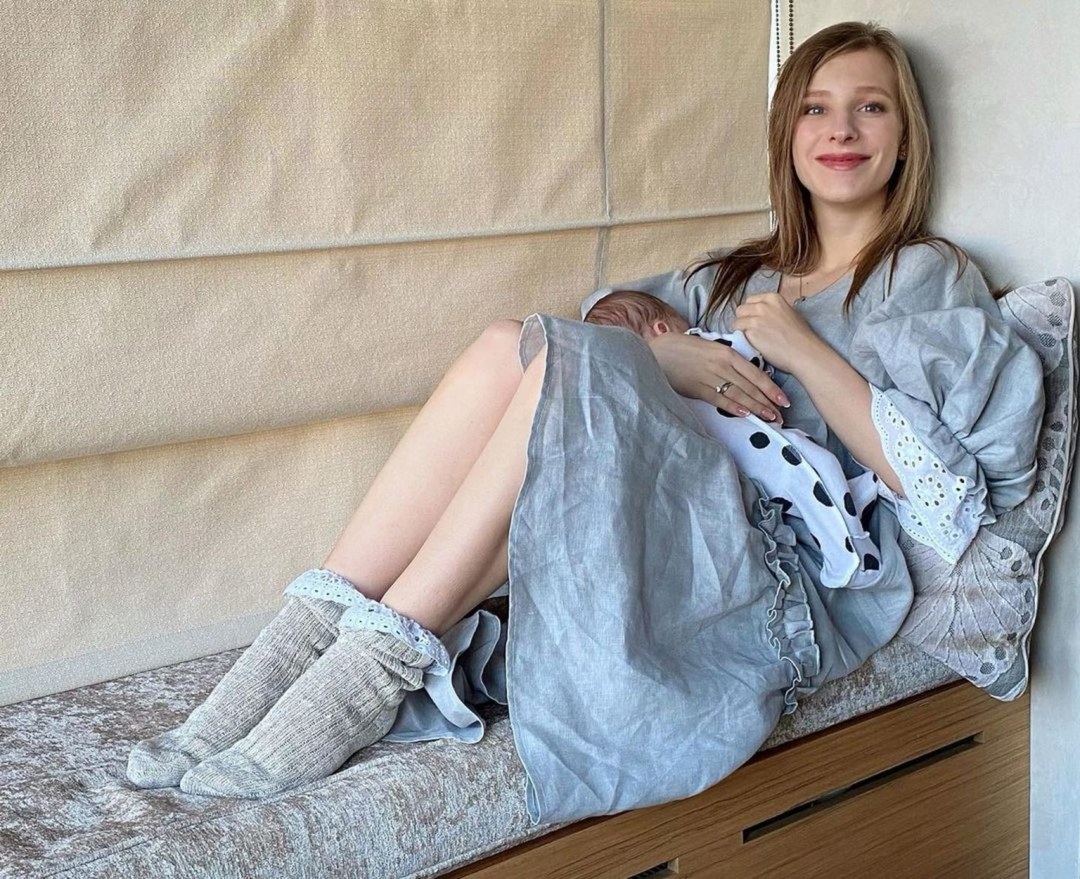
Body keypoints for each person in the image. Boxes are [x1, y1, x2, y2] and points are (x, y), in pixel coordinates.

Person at [126, 21, 1044, 826]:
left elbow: (950, 499)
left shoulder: (926, 276)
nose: (841, 129)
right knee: (506, 344)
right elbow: (604, 323)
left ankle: (367, 674)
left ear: (905, 138)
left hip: (767, 570)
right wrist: (666, 356)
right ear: (787, 134)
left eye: (871, 108)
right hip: (672, 519)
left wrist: (801, 349)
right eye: (816, 108)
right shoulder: (732, 274)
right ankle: (285, 656)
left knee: (567, 366)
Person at [584, 288, 883, 589]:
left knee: (815, 482)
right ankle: (850, 560)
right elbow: (743, 355)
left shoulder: (641, 398)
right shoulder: (694, 346)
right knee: (815, 479)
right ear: (662, 329)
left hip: (747, 466)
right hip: (772, 454)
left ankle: (850, 500)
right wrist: (753, 337)